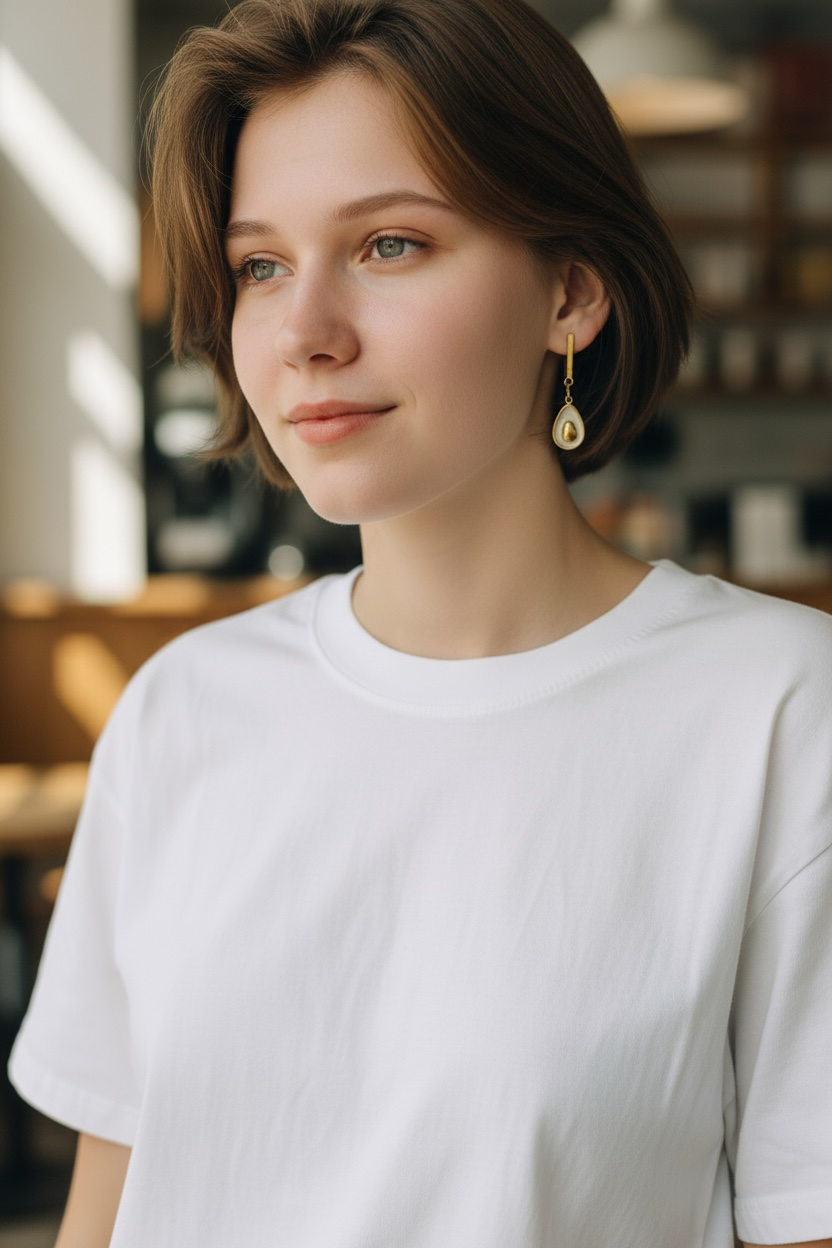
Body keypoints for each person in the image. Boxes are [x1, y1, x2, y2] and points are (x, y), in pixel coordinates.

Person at [9, 1, 832, 1245]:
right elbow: (110, 1209)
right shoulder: (183, 711)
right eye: (260, 266)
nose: (302, 336)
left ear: (572, 291)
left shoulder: (778, 711)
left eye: (390, 245)